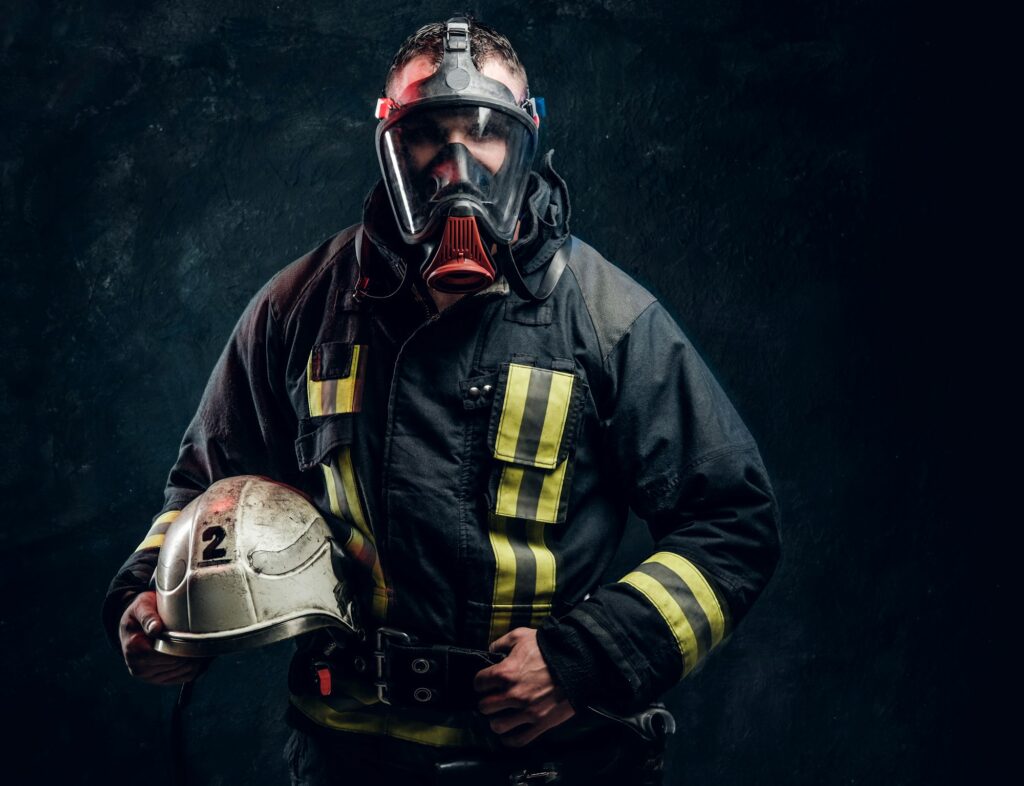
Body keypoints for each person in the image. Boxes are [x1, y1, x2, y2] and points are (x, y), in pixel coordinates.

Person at [103, 17, 781, 785]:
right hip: (348, 755)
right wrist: (152, 594)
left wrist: (586, 659)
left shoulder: (608, 321)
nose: (457, 167)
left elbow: (735, 523)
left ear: (527, 144)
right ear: (392, 146)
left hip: (546, 763)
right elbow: (206, 487)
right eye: (428, 136)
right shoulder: (300, 309)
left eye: (486, 134)